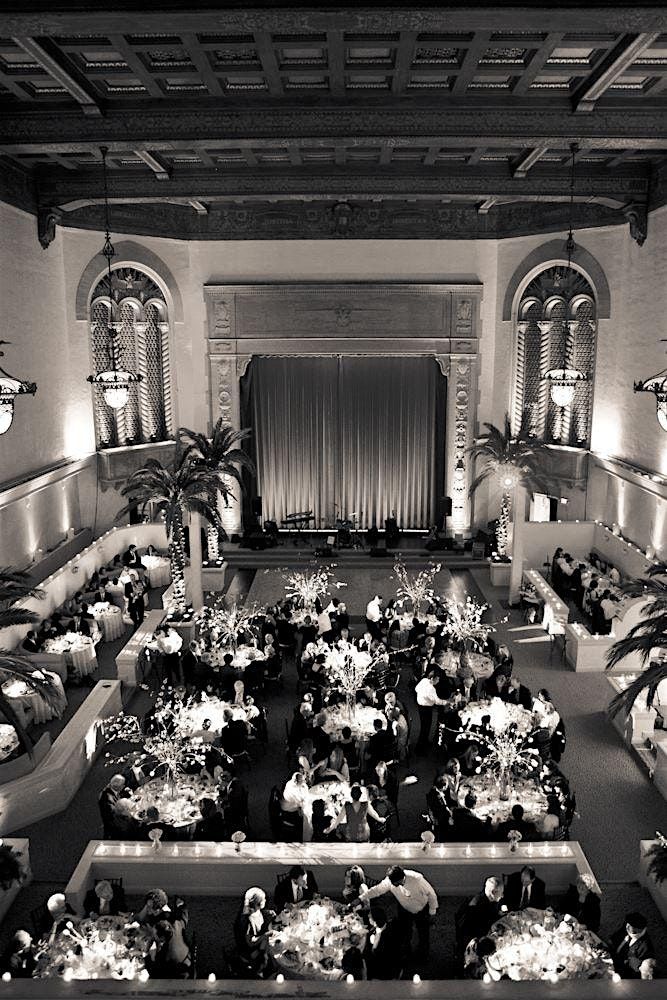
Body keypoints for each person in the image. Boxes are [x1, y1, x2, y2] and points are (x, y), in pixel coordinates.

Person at [358, 865, 438, 961]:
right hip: (404, 908)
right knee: (405, 932)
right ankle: (406, 953)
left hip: (422, 909)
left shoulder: (417, 879)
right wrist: (361, 898)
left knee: (423, 933)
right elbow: (377, 890)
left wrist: (432, 912)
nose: (392, 885)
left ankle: (423, 955)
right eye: (391, 882)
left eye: (394, 883)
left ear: (402, 878)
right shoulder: (390, 881)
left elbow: (431, 894)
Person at [233, 887, 276, 977]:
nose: (265, 900)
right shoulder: (247, 920)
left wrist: (268, 912)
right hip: (250, 951)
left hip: (259, 944)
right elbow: (250, 942)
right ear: (257, 903)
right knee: (275, 952)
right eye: (263, 899)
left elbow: (260, 915)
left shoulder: (256, 911)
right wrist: (265, 935)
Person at [455, 877, 505, 950]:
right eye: (501, 892)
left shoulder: (489, 899)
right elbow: (482, 927)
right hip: (472, 940)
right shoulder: (478, 907)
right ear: (493, 892)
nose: (502, 895)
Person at [609, 912, 655, 979]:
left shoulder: (645, 947)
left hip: (622, 969)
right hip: (612, 954)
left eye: (629, 927)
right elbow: (617, 935)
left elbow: (638, 968)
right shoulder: (628, 926)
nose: (626, 927)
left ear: (639, 930)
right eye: (627, 925)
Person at [364, 906, 402, 980]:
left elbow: (388, 956)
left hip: (385, 969)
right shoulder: (374, 930)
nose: (368, 918)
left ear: (376, 920)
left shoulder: (390, 934)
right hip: (376, 964)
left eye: (370, 917)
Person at [414, 670, 448, 754]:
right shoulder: (431, 688)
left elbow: (416, 689)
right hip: (426, 709)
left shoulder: (424, 680)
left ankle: (424, 743)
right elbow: (437, 701)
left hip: (420, 707)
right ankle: (420, 750)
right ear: (432, 678)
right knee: (426, 728)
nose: (438, 681)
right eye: (437, 679)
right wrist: (446, 702)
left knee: (424, 727)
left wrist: (423, 695)